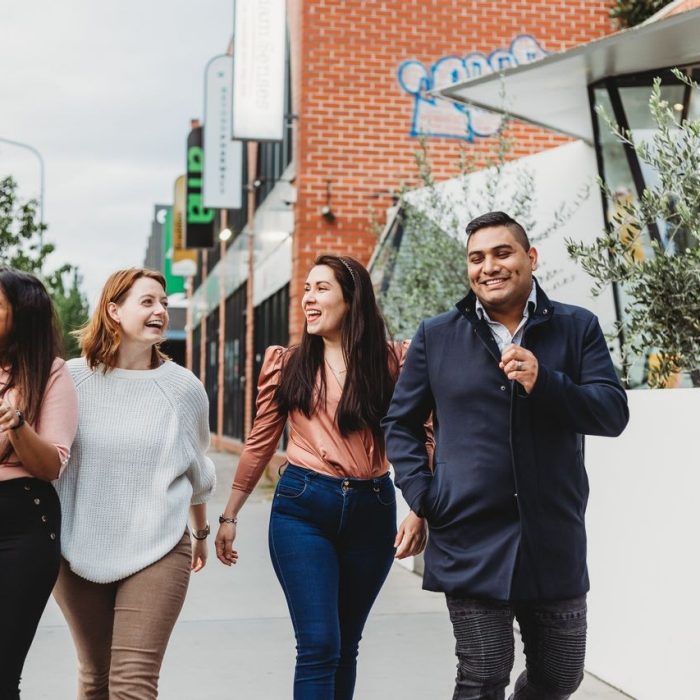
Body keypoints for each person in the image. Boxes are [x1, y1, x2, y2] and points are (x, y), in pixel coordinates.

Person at [383, 211, 630, 700]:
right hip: (467, 533)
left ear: (530, 258)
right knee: (482, 674)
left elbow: (612, 413)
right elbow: (401, 423)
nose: (488, 266)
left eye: (502, 253)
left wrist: (547, 382)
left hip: (553, 534)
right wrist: (424, 494)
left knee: (561, 676)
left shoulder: (576, 328)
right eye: (477, 258)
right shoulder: (437, 335)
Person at [215, 254, 427, 700]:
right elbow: (260, 440)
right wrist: (229, 514)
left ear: (352, 299)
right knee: (319, 644)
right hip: (303, 508)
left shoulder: (394, 361)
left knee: (345, 646)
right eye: (306, 289)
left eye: (321, 288)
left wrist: (422, 508)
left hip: (374, 509)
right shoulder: (289, 363)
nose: (308, 298)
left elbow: (422, 433)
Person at [53, 268, 216, 700]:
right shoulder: (69, 379)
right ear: (113, 310)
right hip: (76, 548)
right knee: (95, 678)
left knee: (132, 686)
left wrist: (200, 532)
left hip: (157, 548)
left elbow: (195, 469)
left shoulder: (183, 389)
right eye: (147, 302)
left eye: (163, 302)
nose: (160, 310)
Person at [0, 267, 78, 699]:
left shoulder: (51, 373)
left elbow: (51, 463)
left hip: (23, 528)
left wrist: (17, 428)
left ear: (23, 315)